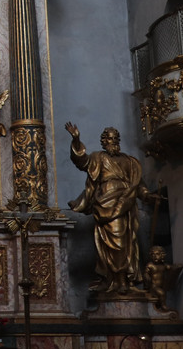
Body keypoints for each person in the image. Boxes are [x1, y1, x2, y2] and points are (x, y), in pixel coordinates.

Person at [65, 123, 153, 295]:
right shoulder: (98, 158)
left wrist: (148, 195)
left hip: (126, 202)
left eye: (115, 138)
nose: (112, 142)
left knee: (127, 243)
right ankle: (114, 280)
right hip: (106, 204)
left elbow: (138, 185)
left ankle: (124, 282)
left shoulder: (130, 161)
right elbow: (81, 161)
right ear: (103, 142)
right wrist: (76, 139)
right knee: (112, 245)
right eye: (109, 139)